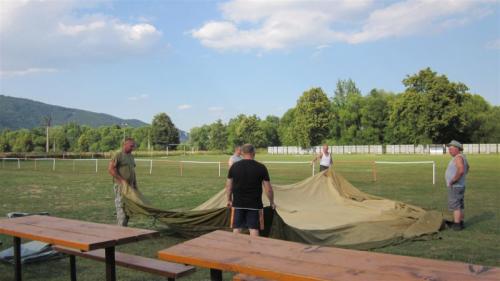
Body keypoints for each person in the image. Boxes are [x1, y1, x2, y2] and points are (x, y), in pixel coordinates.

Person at [225, 144, 276, 236]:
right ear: (254, 153)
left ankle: (234, 249)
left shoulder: (234, 167)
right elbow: (268, 189)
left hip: (238, 204)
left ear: (242, 153)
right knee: (254, 229)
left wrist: (229, 200)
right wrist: (272, 202)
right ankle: (254, 250)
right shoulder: (261, 167)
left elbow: (229, 186)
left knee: (237, 228)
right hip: (255, 205)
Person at [108, 137, 137, 226]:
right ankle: (120, 230)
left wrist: (135, 185)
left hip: (130, 186)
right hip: (121, 186)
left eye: (134, 146)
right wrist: (122, 181)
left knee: (129, 208)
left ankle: (124, 227)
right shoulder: (118, 155)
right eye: (131, 146)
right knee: (121, 207)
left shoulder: (131, 156)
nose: (133, 148)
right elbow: (111, 169)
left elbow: (132, 171)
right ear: (124, 145)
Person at [445, 140, 470, 231]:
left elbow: (461, 170)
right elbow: (467, 168)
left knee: (455, 206)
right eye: (449, 149)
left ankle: (457, 224)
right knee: (458, 205)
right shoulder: (462, 157)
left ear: (457, 149)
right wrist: (461, 177)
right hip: (459, 185)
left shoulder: (458, 157)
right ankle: (459, 221)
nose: (449, 151)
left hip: (456, 186)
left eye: (451, 149)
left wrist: (453, 180)